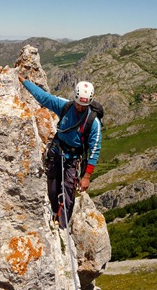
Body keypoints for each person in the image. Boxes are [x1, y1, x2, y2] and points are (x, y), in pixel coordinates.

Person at [18, 74, 102, 229]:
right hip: (57, 151)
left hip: (73, 157)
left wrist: (87, 176)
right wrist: (24, 81)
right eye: (78, 104)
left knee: (68, 192)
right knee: (52, 187)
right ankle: (54, 214)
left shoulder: (93, 122)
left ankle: (62, 226)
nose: (80, 108)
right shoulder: (65, 106)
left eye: (84, 106)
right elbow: (43, 97)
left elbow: (95, 149)